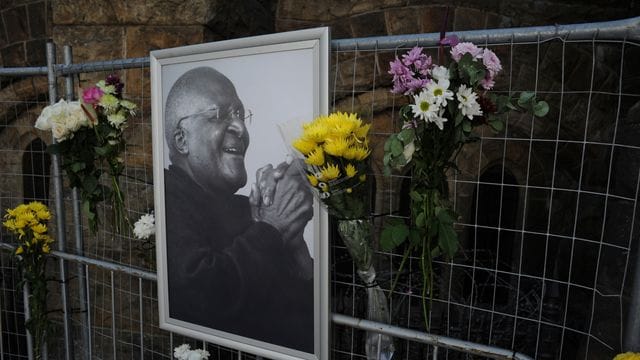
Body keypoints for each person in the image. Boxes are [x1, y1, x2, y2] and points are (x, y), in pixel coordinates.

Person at [163, 66, 314, 352]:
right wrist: (272, 229)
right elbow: (202, 294)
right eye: (219, 115)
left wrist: (295, 246)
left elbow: (300, 312)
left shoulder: (246, 208)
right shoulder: (168, 198)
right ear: (182, 139)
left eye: (241, 115)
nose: (241, 129)